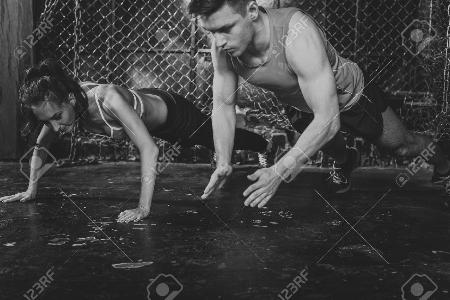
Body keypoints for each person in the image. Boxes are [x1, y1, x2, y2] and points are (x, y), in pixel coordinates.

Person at [189, 0, 450, 207]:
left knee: (402, 147)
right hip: (301, 106)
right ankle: (346, 160)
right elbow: (223, 104)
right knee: (334, 149)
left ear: (253, 11)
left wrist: (279, 171)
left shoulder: (295, 34)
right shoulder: (221, 46)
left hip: (351, 98)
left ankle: (444, 161)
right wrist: (223, 160)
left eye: (225, 29)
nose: (219, 41)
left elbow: (328, 119)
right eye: (211, 32)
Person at [0, 59, 270, 222]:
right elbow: (41, 146)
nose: (55, 126)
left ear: (70, 99)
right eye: (48, 121)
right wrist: (31, 189)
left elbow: (149, 148)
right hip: (148, 108)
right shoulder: (65, 105)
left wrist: (143, 207)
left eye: (57, 117)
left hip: (176, 116)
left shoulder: (107, 99)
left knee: (213, 141)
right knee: (210, 142)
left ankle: (264, 145)